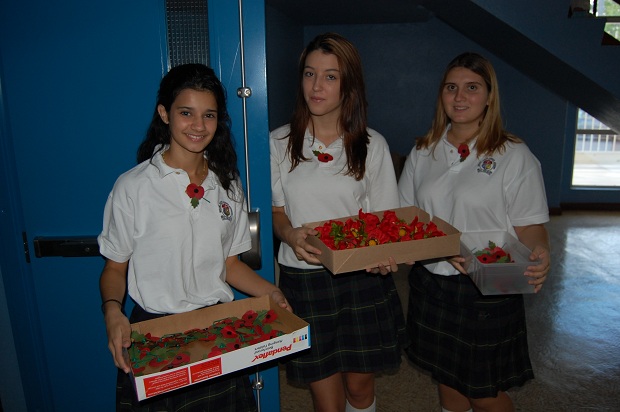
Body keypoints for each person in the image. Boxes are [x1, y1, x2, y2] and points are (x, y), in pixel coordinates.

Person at [98, 63, 291, 411]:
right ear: (164, 114)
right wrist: (113, 311)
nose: (199, 126)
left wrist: (271, 292)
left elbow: (229, 265)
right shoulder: (133, 187)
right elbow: (114, 268)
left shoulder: (228, 184)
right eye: (186, 113)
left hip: (216, 328)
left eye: (209, 115)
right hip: (154, 332)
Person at [398, 52, 551, 412]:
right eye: (451, 87)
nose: (460, 97)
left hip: (489, 287)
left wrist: (541, 251)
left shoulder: (514, 154)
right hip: (431, 284)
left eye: (472, 87)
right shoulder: (423, 151)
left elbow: (531, 224)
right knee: (447, 381)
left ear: (489, 96)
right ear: (441, 94)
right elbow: (407, 220)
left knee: (484, 394)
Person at [270, 32, 407, 412]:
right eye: (309, 74)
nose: (316, 86)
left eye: (330, 76)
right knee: (326, 400)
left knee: (360, 389)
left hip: (360, 277)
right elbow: (277, 213)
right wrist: (290, 234)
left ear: (349, 85)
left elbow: (385, 221)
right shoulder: (278, 142)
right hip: (304, 279)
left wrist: (386, 256)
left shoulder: (372, 144)